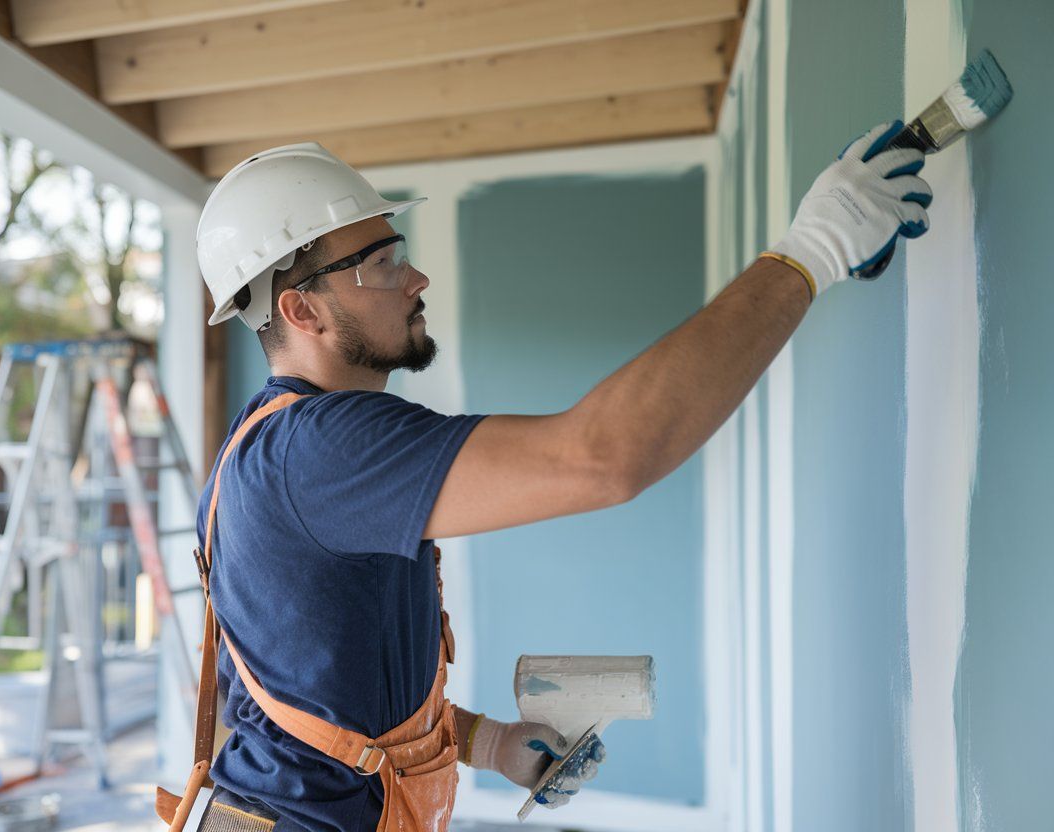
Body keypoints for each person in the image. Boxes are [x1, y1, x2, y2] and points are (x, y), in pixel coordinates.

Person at [173, 121, 932, 831]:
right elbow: (602, 458)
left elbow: (302, 692)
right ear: (301, 310)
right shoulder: (323, 451)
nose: (417, 278)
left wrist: (493, 742)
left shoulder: (270, 443)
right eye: (382, 264)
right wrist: (811, 254)